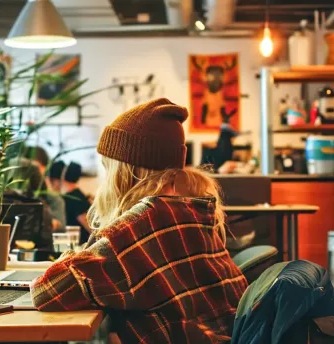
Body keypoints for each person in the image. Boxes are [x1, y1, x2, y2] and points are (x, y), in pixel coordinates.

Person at [31, 98, 248, 343]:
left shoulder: (147, 221)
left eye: (108, 166)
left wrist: (71, 257)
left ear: (126, 170)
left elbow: (47, 292)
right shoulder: (194, 208)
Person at [24, 146, 66, 231]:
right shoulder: (10, 197)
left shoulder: (53, 199)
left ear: (44, 169)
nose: (33, 172)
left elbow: (60, 227)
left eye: (36, 168)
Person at [62, 162, 91, 244]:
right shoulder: (79, 196)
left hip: (79, 245)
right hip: (74, 244)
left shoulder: (74, 198)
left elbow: (86, 222)